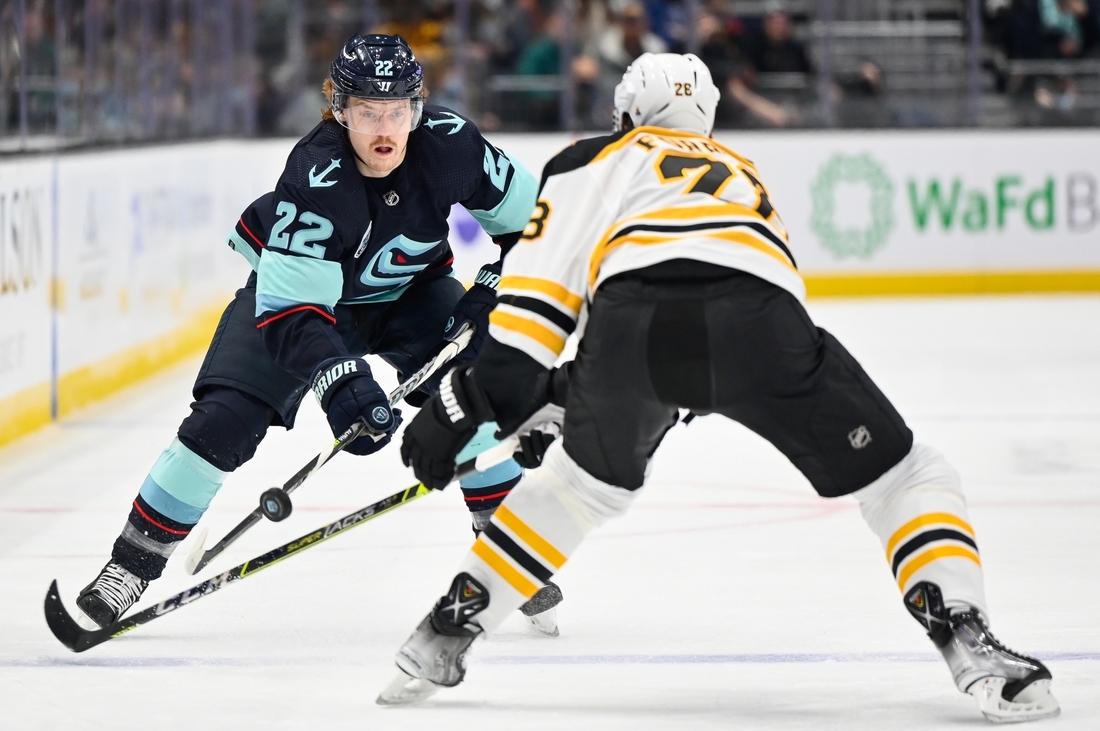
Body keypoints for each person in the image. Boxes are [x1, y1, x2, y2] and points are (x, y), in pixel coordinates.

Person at [380, 52, 1061, 724]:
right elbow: (734, 308)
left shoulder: (592, 159)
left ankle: (443, 633)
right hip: (763, 324)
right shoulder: (742, 172)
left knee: (579, 487)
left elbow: (533, 321)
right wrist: (580, 395)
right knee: (908, 475)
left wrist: (467, 402)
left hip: (632, 328)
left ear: (626, 112)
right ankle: (965, 632)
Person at [73, 34, 563, 636]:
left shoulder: (452, 145)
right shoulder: (317, 173)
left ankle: (506, 551)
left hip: (409, 294)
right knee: (223, 419)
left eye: (397, 111)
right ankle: (129, 567)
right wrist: (339, 383)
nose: (383, 128)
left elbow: (543, 228)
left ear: (418, 107)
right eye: (365, 111)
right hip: (300, 303)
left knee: (472, 393)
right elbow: (293, 310)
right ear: (339, 108)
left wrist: (493, 288)